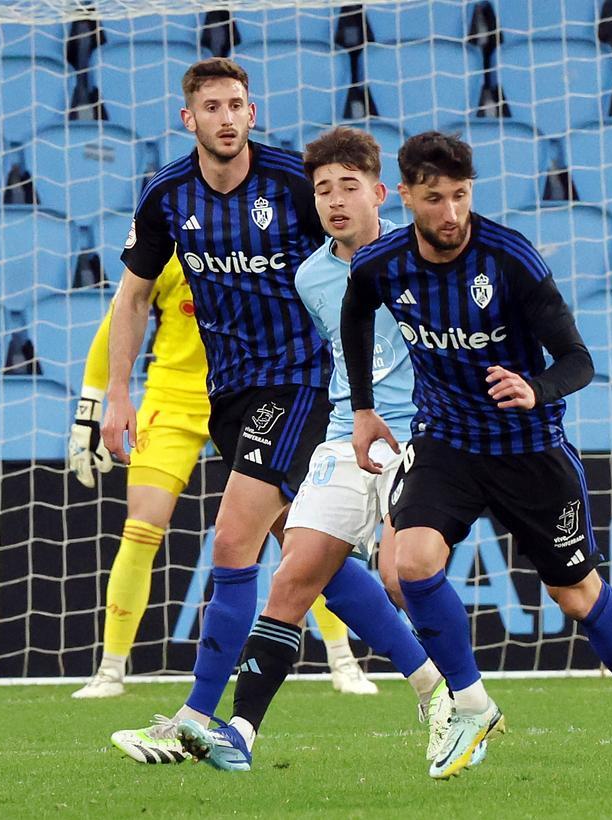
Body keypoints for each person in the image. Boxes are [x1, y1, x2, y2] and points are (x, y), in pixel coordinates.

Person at [339, 131, 612, 784]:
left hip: (530, 449)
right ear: (405, 196)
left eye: (461, 196)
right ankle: (471, 705)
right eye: (434, 199)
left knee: (575, 594)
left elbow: (578, 360)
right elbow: (356, 313)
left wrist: (535, 388)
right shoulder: (382, 264)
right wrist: (360, 407)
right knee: (406, 563)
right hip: (448, 444)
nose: (451, 214)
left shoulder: (509, 259)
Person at [175, 126, 453, 772]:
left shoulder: (424, 257)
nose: (334, 200)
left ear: (382, 193)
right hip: (344, 434)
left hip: (422, 433)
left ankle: (457, 696)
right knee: (294, 572)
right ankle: (240, 733)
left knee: (397, 571)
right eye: (323, 189)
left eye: (348, 188)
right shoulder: (311, 276)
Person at [102, 57, 347, 764]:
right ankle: (442, 686)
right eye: (212, 106)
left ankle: (196, 716)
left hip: (301, 383)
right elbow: (131, 297)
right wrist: (118, 395)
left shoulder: (292, 183)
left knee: (235, 542)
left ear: (251, 110)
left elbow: (357, 253)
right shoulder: (167, 196)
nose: (228, 116)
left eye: (237, 103)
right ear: (190, 118)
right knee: (316, 553)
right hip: (226, 394)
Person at [68, 254, 381, 701]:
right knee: (143, 522)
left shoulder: (255, 247)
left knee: (302, 530)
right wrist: (90, 407)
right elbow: (122, 309)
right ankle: (110, 669)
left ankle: (342, 659)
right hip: (172, 400)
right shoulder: (171, 253)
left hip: (252, 397)